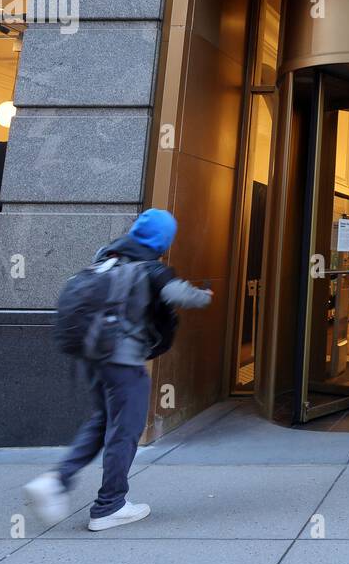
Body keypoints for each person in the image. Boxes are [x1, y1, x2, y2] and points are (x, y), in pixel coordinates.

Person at [23, 209, 213, 531]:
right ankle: (109, 505)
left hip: (93, 357)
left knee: (102, 422)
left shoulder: (107, 257)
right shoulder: (151, 268)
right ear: (163, 240)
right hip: (123, 362)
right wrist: (205, 295)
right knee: (125, 429)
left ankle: (56, 481)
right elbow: (182, 296)